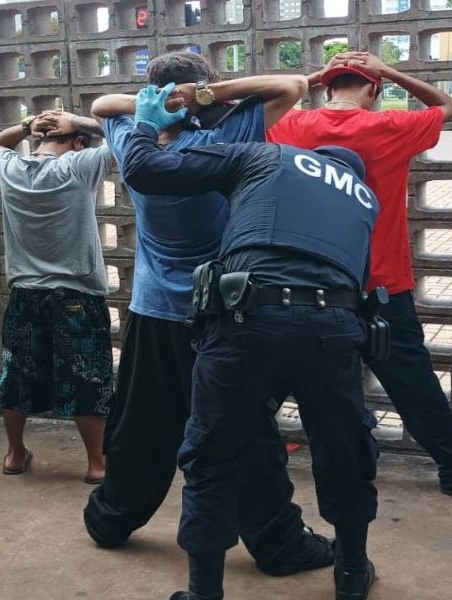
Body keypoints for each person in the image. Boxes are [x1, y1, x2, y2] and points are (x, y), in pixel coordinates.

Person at [119, 84, 384, 600]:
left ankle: (203, 593)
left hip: (247, 319)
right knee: (345, 452)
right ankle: (351, 573)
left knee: (213, 455)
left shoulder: (269, 156)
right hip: (333, 330)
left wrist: (148, 126)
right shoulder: (363, 199)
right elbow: (358, 281)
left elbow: (145, 169)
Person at [82, 52, 336, 576]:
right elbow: (292, 84)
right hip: (220, 313)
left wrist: (159, 107)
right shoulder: (231, 133)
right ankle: (280, 544)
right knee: (243, 432)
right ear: (209, 87)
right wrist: (204, 97)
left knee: (141, 425)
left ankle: (110, 519)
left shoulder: (135, 137)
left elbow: (102, 103)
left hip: (153, 312)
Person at [267, 51, 452, 496]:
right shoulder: (390, 126)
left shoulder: (290, 125)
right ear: (375, 91)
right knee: (410, 379)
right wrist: (393, 71)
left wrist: (311, 77)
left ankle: (244, 452)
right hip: (378, 281)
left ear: (327, 86)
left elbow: (257, 106)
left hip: (306, 280)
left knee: (278, 373)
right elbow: (450, 106)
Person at [0, 109, 116, 484]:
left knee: (17, 376)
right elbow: (124, 139)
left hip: (26, 294)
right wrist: (81, 122)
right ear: (76, 143)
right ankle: (95, 463)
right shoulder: (79, 167)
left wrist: (28, 126)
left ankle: (14, 454)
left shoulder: (11, 169)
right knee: (87, 378)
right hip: (77, 294)